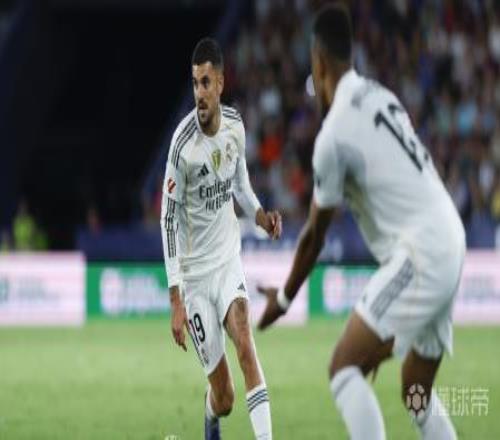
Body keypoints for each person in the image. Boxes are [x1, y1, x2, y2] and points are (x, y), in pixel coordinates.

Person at [258, 4, 465, 440]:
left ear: (318, 61)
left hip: (421, 252)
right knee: (417, 392)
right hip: (451, 238)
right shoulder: (381, 95)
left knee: (343, 368)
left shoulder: (333, 134)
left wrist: (285, 298)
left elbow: (314, 235)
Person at [161, 37, 281, 440]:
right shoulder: (182, 146)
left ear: (221, 84)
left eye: (206, 83)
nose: (199, 93)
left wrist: (261, 216)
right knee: (225, 397)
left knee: (246, 343)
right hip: (195, 280)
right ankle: (210, 413)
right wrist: (175, 299)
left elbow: (240, 185)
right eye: (195, 83)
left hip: (228, 261)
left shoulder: (235, 126)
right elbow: (167, 219)